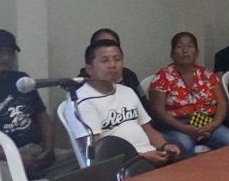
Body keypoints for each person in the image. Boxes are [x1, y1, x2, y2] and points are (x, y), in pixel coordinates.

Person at [0, 28, 77, 181]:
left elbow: (42, 117)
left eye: (10, 52)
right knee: (6, 180)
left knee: (80, 161)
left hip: (35, 150)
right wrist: (15, 156)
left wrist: (49, 148)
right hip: (0, 158)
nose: (5, 57)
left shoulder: (22, 80)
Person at [72, 39, 182, 167]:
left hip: (150, 156)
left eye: (117, 59)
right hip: (123, 166)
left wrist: (165, 146)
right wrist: (141, 156)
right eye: (105, 60)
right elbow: (97, 152)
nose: (113, 65)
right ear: (89, 69)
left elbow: (147, 129)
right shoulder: (82, 100)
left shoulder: (127, 91)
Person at [148, 32, 229, 153]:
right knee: (185, 144)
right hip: (174, 125)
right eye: (180, 47)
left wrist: (215, 124)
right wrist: (185, 128)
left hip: (204, 121)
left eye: (190, 46)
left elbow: (222, 102)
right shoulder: (162, 77)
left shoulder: (206, 74)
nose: (185, 50)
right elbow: (157, 111)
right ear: (172, 53)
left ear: (196, 52)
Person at [79, 27, 143, 96]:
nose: (112, 65)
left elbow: (142, 98)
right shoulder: (81, 83)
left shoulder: (129, 76)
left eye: (112, 43)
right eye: (105, 60)